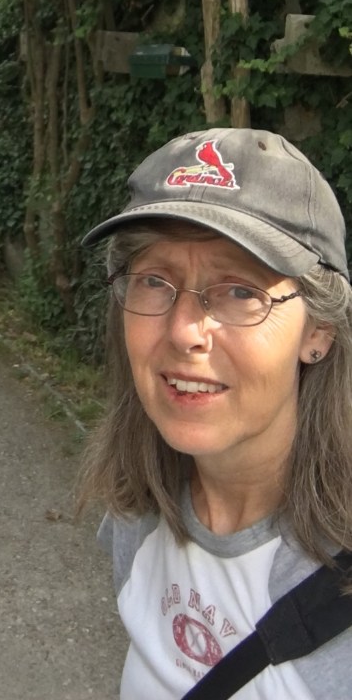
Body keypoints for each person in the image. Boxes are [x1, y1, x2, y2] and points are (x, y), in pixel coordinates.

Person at [77, 127, 352, 699]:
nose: (184, 331)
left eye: (241, 291)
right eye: (155, 281)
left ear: (319, 330)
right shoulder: (139, 511)